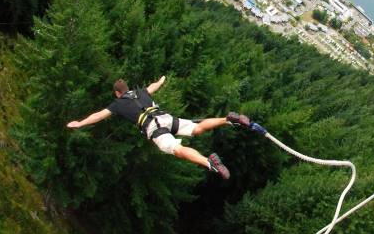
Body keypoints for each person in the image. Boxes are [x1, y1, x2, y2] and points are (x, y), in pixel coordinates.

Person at [66, 76, 251, 180]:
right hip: (165, 118)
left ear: (117, 93)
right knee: (197, 128)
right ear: (128, 88)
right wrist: (161, 81)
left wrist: (80, 123)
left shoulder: (117, 104)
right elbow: (152, 87)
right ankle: (228, 120)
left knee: (177, 150)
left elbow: (98, 115)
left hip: (153, 128)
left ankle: (209, 163)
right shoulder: (140, 92)